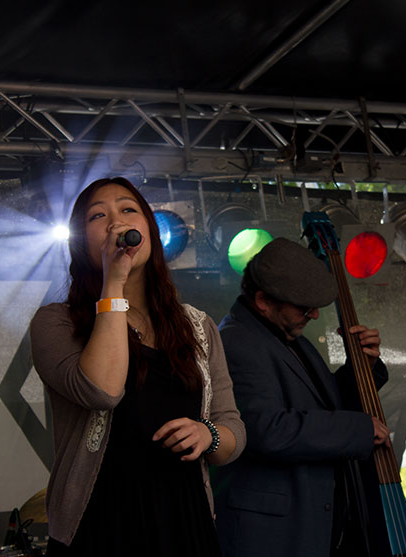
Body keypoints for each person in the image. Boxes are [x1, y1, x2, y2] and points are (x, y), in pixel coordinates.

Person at [30, 176, 246, 555]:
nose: (116, 222)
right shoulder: (56, 322)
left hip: (185, 521)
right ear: (79, 243)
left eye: (128, 209)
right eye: (98, 216)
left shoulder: (197, 326)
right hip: (101, 525)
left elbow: (233, 430)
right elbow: (102, 391)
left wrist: (207, 434)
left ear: (149, 230)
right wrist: (113, 283)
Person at [212, 237, 391, 557]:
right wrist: (358, 429)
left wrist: (363, 367)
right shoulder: (236, 342)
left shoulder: (287, 335)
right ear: (263, 300)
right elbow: (266, 429)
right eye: (304, 307)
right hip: (272, 538)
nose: (315, 315)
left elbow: (325, 405)